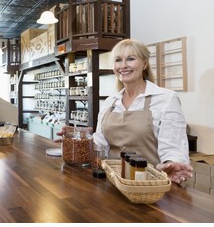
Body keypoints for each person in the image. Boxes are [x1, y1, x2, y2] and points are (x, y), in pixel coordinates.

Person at [56, 39, 192, 184]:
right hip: (113, 182)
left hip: (151, 185)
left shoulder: (166, 98)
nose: (123, 66)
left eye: (131, 59)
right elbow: (100, 145)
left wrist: (170, 165)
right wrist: (78, 136)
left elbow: (174, 147)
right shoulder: (110, 102)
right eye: (118, 60)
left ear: (144, 64)